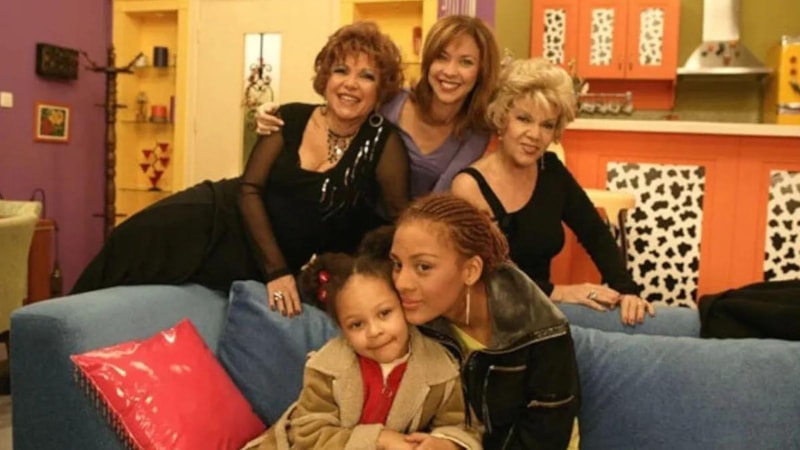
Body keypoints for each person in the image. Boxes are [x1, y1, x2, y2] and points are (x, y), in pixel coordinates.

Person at [72, 22, 410, 315]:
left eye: (366, 76)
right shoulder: (287, 118)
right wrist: (277, 271)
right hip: (214, 216)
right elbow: (249, 189)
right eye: (341, 70)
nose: (350, 83)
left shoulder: (383, 143)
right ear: (326, 78)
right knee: (127, 246)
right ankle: (57, 331)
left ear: (381, 90)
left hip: (255, 257)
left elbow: (398, 218)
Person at [360, 192, 579, 449]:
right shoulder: (406, 318)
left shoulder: (543, 332)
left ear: (470, 271)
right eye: (398, 264)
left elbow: (545, 439)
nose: (402, 283)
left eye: (423, 267)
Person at [450, 58, 654, 326]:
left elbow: (594, 232)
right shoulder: (469, 186)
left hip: (545, 309)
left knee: (661, 323)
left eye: (547, 125)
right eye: (524, 119)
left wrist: (627, 290)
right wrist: (559, 292)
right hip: (496, 318)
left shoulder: (550, 170)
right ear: (502, 119)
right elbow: (487, 276)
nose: (535, 134)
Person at [244, 250, 482, 450]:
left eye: (384, 313)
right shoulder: (326, 369)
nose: (374, 331)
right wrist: (379, 439)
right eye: (357, 325)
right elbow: (308, 433)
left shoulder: (441, 370)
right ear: (343, 330)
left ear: (404, 307)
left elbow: (461, 424)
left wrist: (446, 442)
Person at [256, 15, 500, 198]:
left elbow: (440, 199)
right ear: (428, 61)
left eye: (466, 62)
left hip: (410, 231)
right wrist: (271, 114)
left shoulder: (477, 132)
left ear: (481, 71)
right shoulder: (392, 101)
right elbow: (341, 108)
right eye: (442, 57)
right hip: (348, 215)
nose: (450, 71)